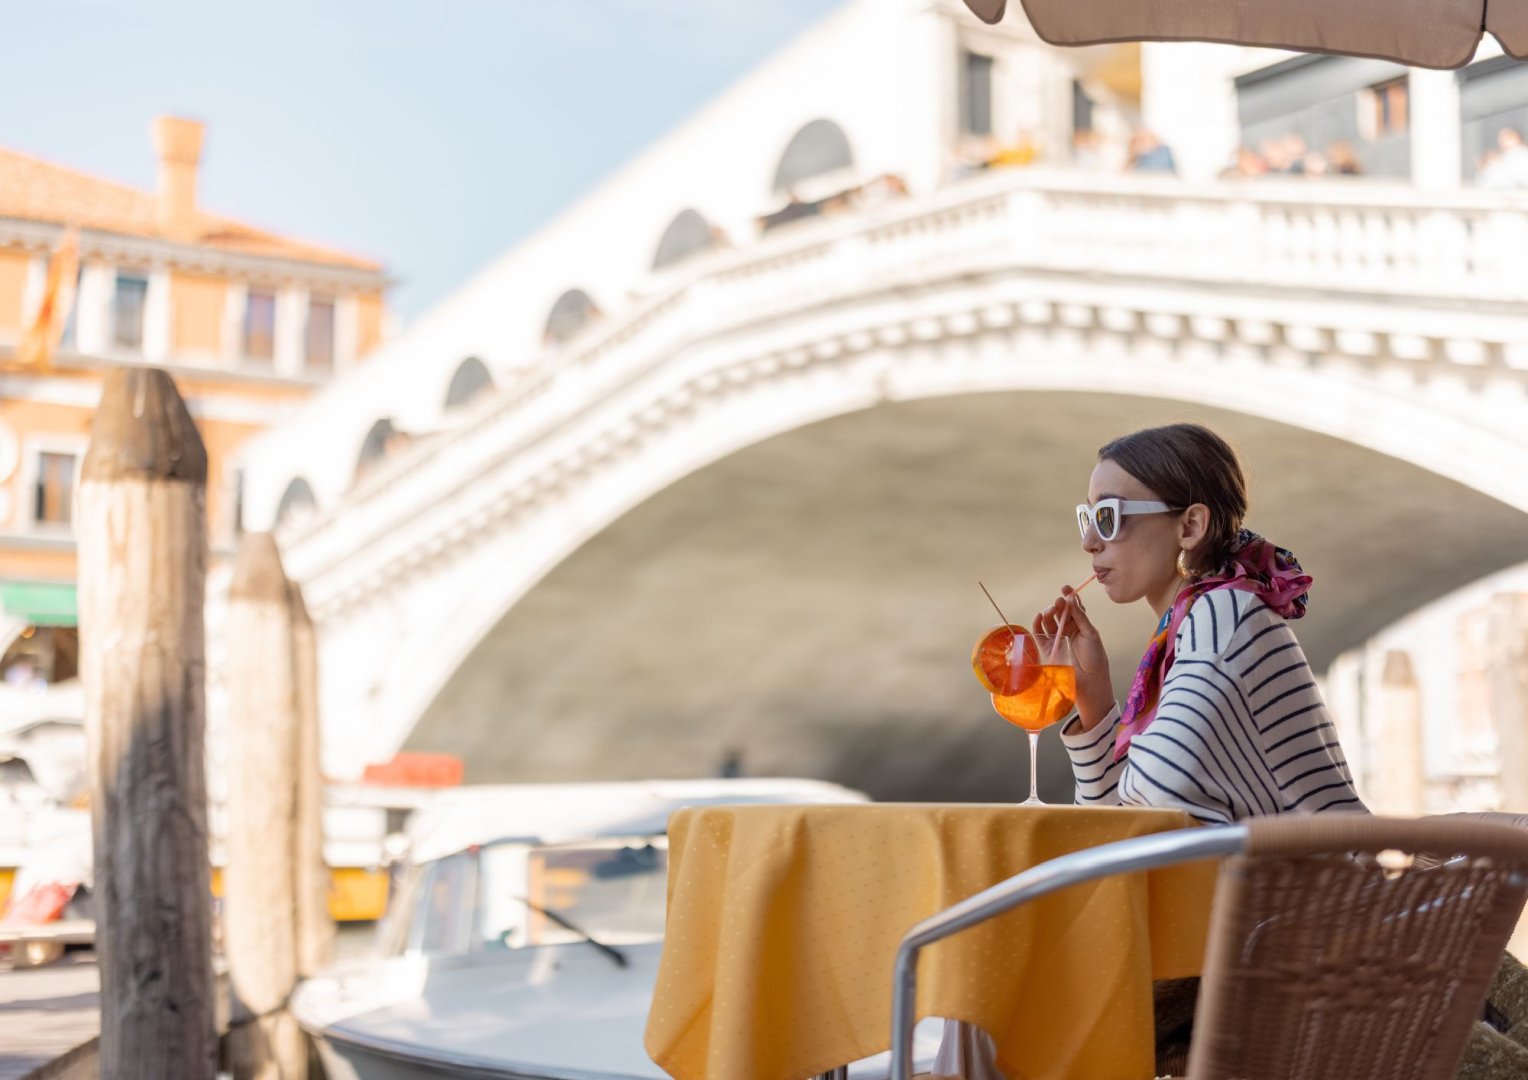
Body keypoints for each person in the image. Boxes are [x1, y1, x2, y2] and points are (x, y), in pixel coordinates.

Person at [1040, 423, 1363, 824]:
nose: (1089, 540)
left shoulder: (1224, 615)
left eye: (1107, 516)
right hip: (1263, 881)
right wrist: (1094, 697)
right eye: (1087, 516)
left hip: (1303, 885)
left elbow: (1160, 791)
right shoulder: (1190, 624)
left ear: (1190, 526)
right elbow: (1111, 830)